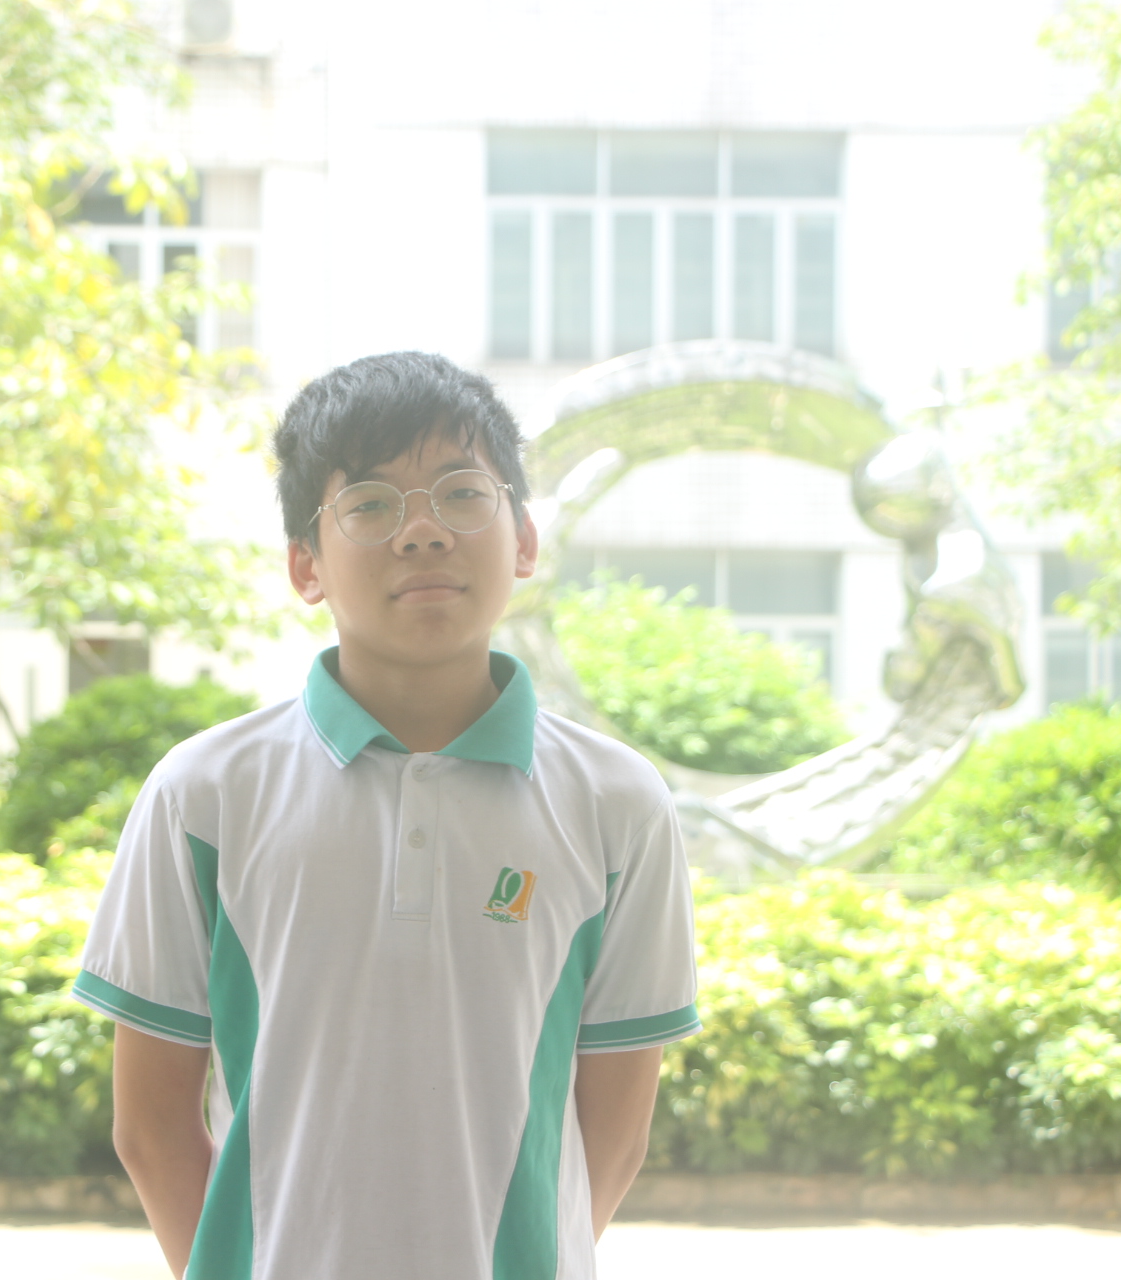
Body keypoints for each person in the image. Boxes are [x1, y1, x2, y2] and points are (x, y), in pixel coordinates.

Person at [71, 351, 699, 1280]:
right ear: (306, 565)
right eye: (369, 505)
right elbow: (152, 1127)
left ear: (525, 540)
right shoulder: (204, 794)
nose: (423, 533)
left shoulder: (616, 803)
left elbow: (613, 1132)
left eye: (462, 495)